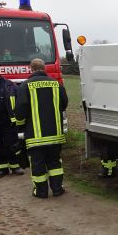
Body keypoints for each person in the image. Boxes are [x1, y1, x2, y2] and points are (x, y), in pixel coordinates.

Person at [15, 58, 68, 198]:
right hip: (55, 133)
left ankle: (41, 191)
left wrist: (20, 125)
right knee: (55, 162)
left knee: (38, 164)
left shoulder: (25, 86)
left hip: (35, 136)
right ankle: (57, 189)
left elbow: (20, 110)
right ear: (44, 69)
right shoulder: (56, 84)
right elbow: (64, 104)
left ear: (30, 69)